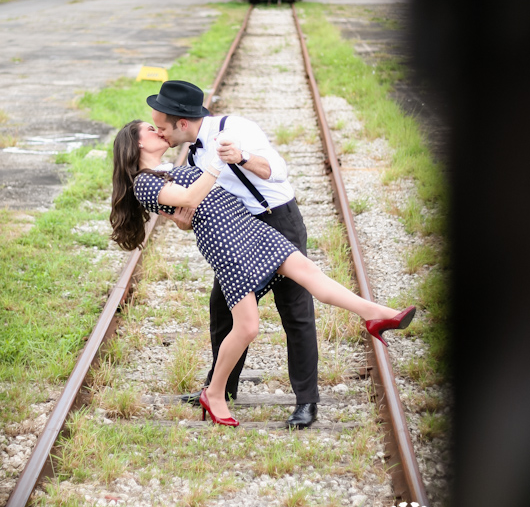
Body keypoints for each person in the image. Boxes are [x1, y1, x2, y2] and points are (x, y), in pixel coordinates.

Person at [110, 118, 415, 428]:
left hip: (251, 229)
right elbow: (189, 199)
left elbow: (189, 208)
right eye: (150, 129)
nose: (157, 129)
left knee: (310, 274)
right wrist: (216, 164)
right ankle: (214, 393)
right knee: (247, 327)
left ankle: (377, 315)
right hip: (227, 244)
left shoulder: (168, 170)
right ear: (137, 144)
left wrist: (186, 214)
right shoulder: (143, 182)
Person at [148, 79, 321, 429]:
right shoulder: (193, 151)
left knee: (295, 311)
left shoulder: (235, 129)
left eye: (162, 128)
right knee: (221, 308)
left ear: (182, 123)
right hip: (241, 233)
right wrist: (184, 221)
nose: (160, 134)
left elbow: (278, 171)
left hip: (278, 222)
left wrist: (241, 158)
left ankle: (307, 401)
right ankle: (221, 389)